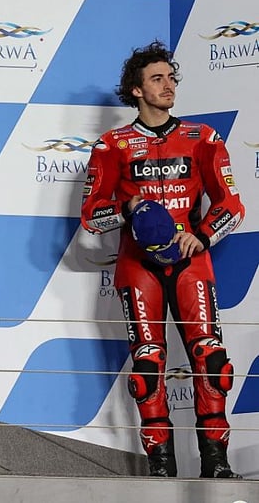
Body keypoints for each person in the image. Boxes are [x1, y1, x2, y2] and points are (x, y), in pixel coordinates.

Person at [81, 41, 244, 478]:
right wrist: (129, 210)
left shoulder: (202, 138)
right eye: (157, 79)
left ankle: (216, 463)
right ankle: (161, 467)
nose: (168, 85)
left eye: (171, 78)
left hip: (191, 263)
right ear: (136, 90)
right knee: (148, 364)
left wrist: (203, 236)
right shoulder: (111, 146)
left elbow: (232, 205)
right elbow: (92, 217)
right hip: (138, 266)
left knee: (212, 359)